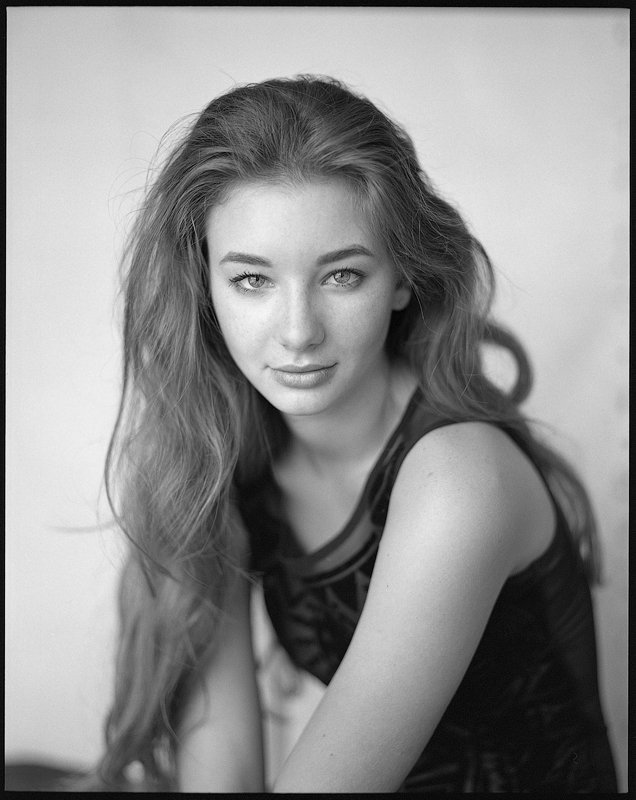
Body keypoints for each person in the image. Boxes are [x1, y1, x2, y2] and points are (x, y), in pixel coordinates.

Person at [89, 75, 617, 792]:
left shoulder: (460, 476)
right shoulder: (228, 465)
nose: (298, 332)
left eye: (341, 275)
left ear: (402, 278)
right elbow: (224, 773)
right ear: (204, 287)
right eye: (252, 280)